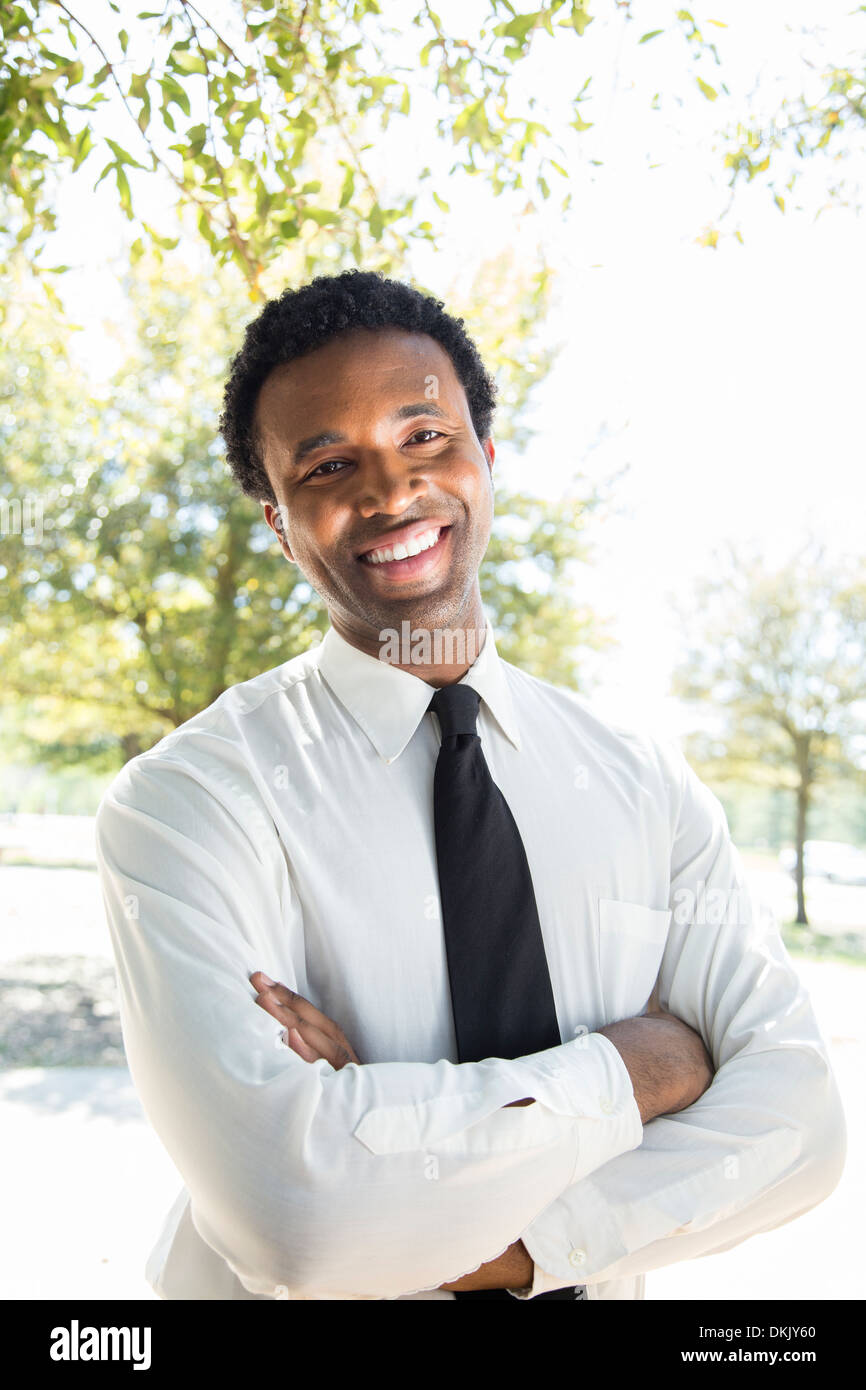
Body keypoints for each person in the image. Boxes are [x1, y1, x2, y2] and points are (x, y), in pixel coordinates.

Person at [94, 269, 846, 1301]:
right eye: (327, 464)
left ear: (485, 459)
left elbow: (796, 1123)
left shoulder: (642, 785)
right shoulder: (187, 804)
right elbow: (291, 1214)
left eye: (424, 438)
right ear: (276, 521)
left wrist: (423, 1190)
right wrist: (636, 1070)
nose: (390, 491)